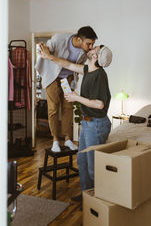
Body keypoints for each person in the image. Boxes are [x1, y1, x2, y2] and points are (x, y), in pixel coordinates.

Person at [39, 42, 112, 201]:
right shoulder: (88, 70)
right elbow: (68, 65)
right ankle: (87, 196)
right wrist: (49, 57)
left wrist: (75, 97)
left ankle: (99, 202)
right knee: (82, 160)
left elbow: (99, 104)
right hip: (87, 123)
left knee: (93, 166)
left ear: (95, 57)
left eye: (94, 49)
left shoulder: (99, 75)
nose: (91, 48)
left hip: (97, 124)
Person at [35, 26, 98, 152]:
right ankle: (55, 140)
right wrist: (42, 48)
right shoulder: (59, 39)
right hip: (52, 77)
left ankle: (68, 139)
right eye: (88, 43)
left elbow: (81, 67)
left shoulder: (84, 51)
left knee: (68, 108)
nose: (90, 46)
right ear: (79, 39)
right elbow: (43, 50)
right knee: (53, 108)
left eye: (92, 44)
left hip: (67, 79)